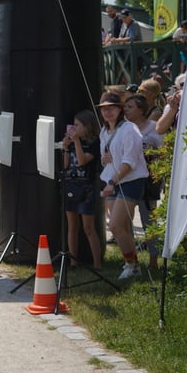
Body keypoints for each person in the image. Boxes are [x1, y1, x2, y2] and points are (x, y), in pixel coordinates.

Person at [96, 91, 148, 280]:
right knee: (122, 227)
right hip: (113, 180)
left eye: (112, 108)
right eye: (104, 109)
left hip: (130, 181)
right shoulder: (104, 131)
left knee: (115, 225)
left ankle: (131, 264)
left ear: (120, 109)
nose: (108, 112)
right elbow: (107, 159)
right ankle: (132, 263)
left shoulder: (129, 129)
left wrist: (111, 182)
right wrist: (104, 160)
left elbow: (129, 162)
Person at [123, 94, 163, 269]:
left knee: (149, 221)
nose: (126, 110)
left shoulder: (153, 127)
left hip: (148, 182)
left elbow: (163, 152)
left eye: (130, 107)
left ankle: (154, 260)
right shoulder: (124, 128)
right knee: (125, 221)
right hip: (129, 179)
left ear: (141, 110)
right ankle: (132, 261)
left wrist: (152, 157)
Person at [61, 110, 102, 270]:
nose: (74, 128)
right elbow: (65, 165)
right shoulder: (72, 142)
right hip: (70, 184)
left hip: (87, 187)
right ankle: (73, 261)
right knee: (72, 226)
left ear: (87, 126)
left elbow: (83, 161)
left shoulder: (94, 142)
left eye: (77, 125)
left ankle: (97, 263)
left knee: (88, 227)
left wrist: (76, 142)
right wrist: (65, 147)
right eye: (74, 125)